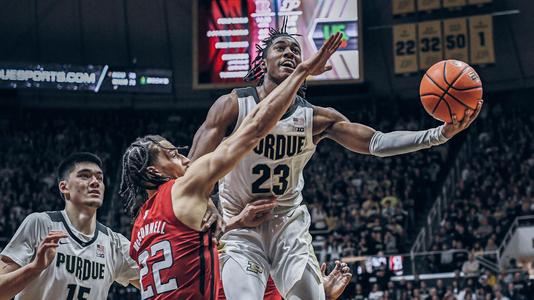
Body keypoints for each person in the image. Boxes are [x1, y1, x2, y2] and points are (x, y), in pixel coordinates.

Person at [187, 22, 483, 299]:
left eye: (295, 50)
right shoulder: (232, 105)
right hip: (240, 226)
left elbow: (376, 142)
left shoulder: (316, 118)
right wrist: (211, 210)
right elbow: (190, 171)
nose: (289, 52)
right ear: (263, 62)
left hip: (287, 225)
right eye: (280, 48)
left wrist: (438, 135)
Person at [119, 32, 344, 300]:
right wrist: (301, 73)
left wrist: (235, 222)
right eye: (172, 155)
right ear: (154, 172)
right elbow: (255, 128)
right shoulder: (183, 189)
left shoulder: (139, 230)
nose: (186, 158)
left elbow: (188, 250)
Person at [0, 152, 139, 300]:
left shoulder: (115, 243)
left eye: (99, 178)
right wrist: (35, 268)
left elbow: (156, 282)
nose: (95, 182)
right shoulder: (40, 224)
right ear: (64, 187)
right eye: (85, 176)